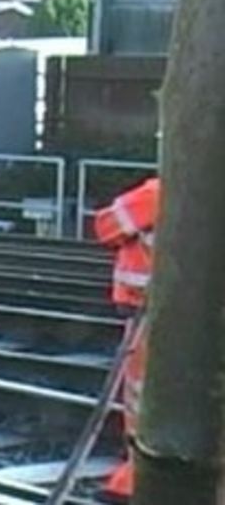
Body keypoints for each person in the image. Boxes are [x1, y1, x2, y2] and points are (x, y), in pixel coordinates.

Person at [93, 176, 160, 502]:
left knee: (144, 399)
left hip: (156, 314)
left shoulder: (161, 193)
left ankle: (137, 479)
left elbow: (106, 226)